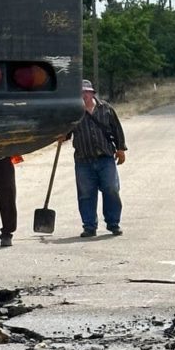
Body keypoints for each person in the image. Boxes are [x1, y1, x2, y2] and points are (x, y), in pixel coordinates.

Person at [62, 79, 127, 238]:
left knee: (111, 189)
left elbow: (116, 129)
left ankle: (113, 224)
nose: (84, 94)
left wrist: (120, 149)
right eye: (81, 92)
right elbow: (66, 133)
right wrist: (60, 134)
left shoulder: (106, 109)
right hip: (83, 159)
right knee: (86, 194)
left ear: (92, 93)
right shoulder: (73, 112)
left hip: (105, 158)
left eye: (86, 91)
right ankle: (89, 226)